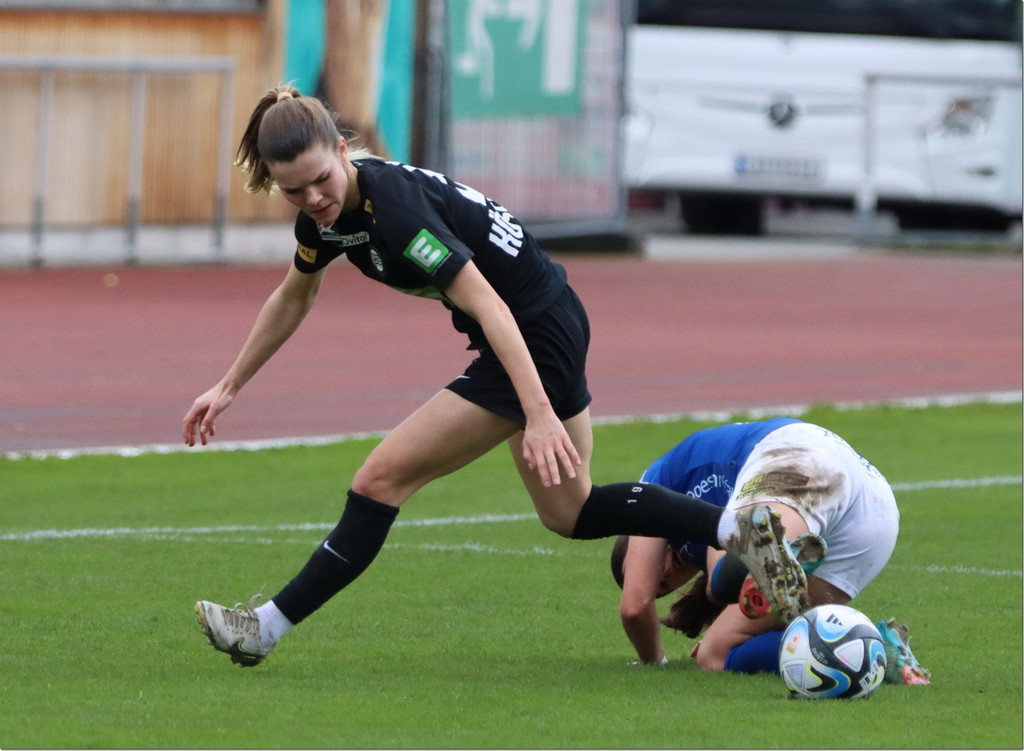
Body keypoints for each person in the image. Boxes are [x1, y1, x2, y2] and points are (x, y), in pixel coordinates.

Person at [184, 85, 809, 668]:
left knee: (379, 480)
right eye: (293, 191)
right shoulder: (327, 219)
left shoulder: (396, 213)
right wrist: (229, 384)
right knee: (572, 512)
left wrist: (537, 412)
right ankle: (737, 529)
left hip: (531, 334)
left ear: (343, 150)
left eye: (321, 179)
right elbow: (294, 296)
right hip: (549, 323)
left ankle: (265, 628)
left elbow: (490, 304)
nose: (313, 199)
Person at [610, 417, 931, 684]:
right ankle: (879, 647)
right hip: (875, 515)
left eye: (653, 568)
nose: (664, 574)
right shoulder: (698, 539)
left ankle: (762, 551)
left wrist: (654, 661)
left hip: (797, 457)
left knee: (721, 577)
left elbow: (635, 606)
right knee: (715, 654)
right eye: (665, 586)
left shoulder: (654, 486)